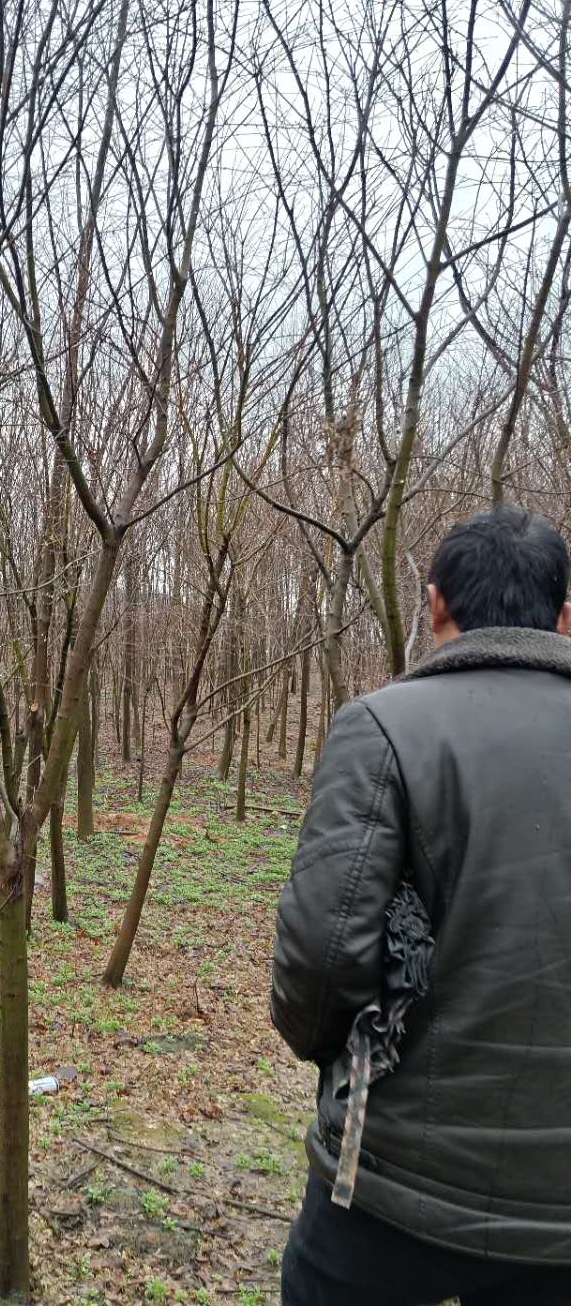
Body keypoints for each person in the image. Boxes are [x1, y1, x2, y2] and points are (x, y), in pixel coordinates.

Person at [271, 506, 571, 1305]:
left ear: (435, 605)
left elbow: (320, 957)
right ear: (566, 614)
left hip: (392, 1182)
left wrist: (335, 1057)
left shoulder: (384, 728)